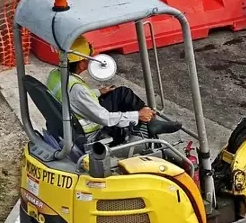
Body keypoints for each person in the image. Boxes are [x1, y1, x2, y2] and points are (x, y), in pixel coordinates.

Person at [47, 36, 181, 148]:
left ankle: (151, 122)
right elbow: (104, 118)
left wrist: (99, 92)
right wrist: (137, 115)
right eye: (88, 57)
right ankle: (148, 124)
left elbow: (72, 98)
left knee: (122, 93)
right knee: (132, 115)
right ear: (81, 63)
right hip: (92, 132)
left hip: (72, 118)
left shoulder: (55, 76)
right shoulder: (77, 89)